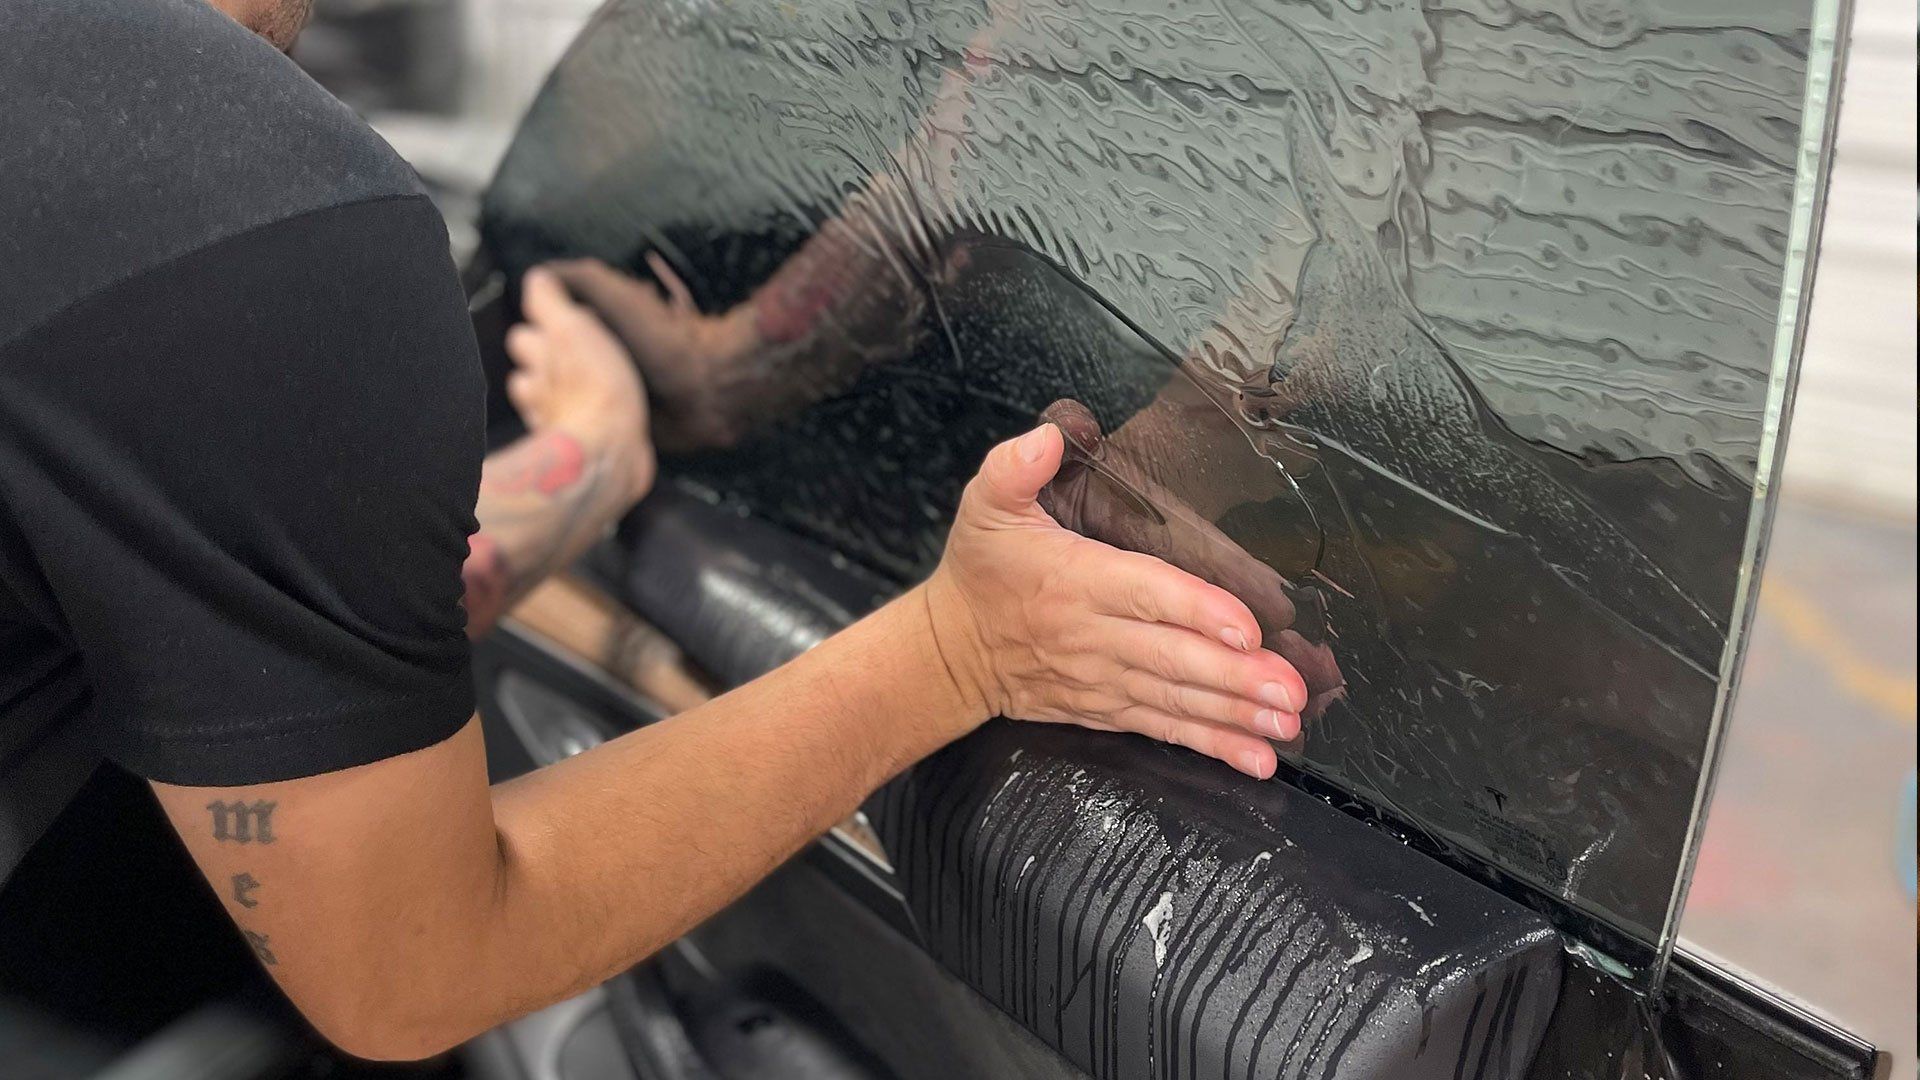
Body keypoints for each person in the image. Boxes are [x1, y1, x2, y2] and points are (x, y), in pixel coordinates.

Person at [0, 0, 1310, 1060]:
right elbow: (405, 965)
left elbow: (248, 627)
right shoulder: (238, 214)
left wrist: (591, 466)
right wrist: (962, 651)